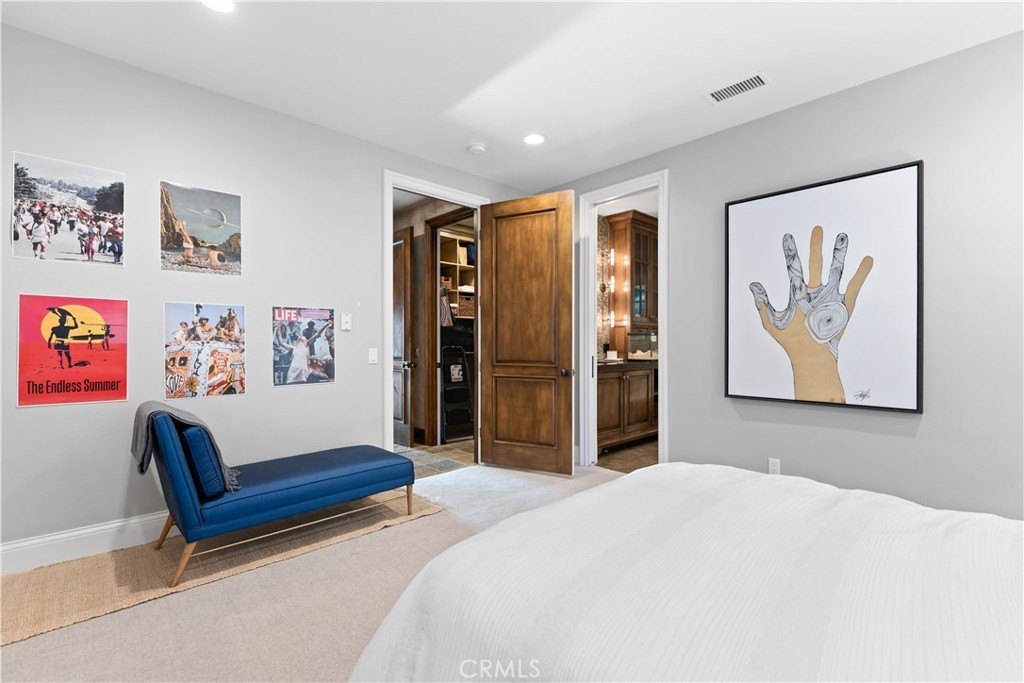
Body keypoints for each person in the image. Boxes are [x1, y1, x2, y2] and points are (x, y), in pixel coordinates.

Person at [280, 319, 333, 384]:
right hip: (293, 370)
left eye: (302, 339)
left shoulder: (305, 344)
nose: (300, 338)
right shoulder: (294, 347)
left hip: (302, 370)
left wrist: (326, 324)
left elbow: (318, 334)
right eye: (299, 339)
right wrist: (278, 329)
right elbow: (281, 343)